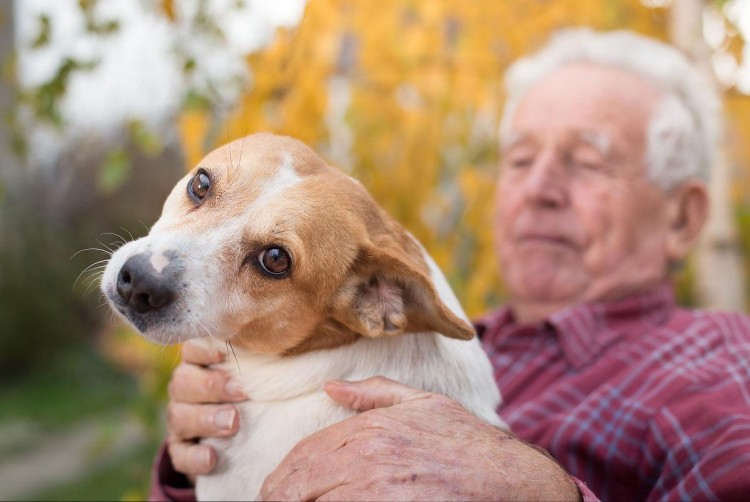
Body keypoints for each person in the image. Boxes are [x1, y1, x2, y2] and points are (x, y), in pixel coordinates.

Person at [150, 29, 750, 501]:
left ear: (681, 218)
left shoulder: (721, 364)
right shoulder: (428, 336)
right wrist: (203, 457)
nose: (538, 188)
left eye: (587, 162)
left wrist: (540, 495)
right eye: (518, 159)